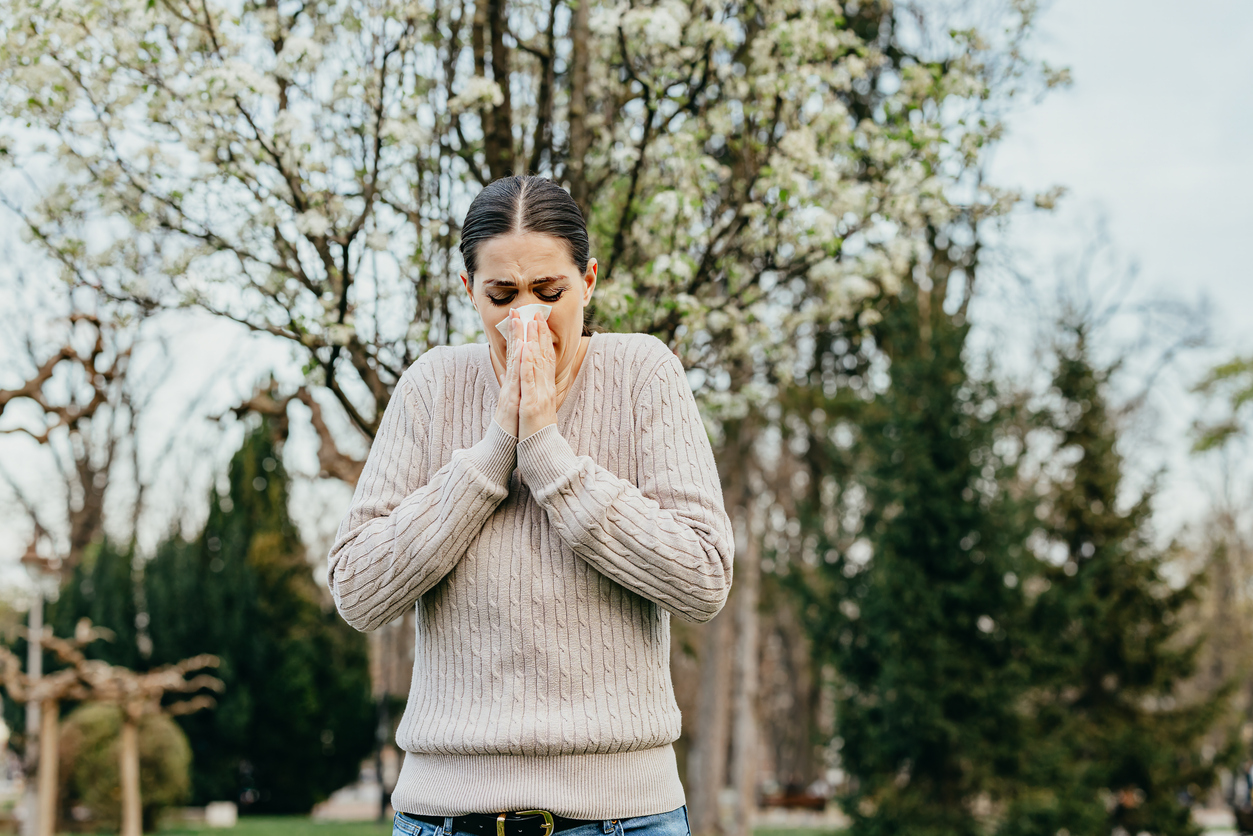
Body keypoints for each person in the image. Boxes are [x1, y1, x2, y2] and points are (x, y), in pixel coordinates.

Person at [327, 175, 735, 836]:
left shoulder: (644, 375)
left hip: (623, 817)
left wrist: (546, 452)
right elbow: (358, 591)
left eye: (550, 293)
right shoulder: (430, 385)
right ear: (468, 292)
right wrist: (494, 451)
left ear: (589, 280)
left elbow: (702, 576)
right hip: (444, 815)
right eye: (501, 295)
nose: (527, 318)